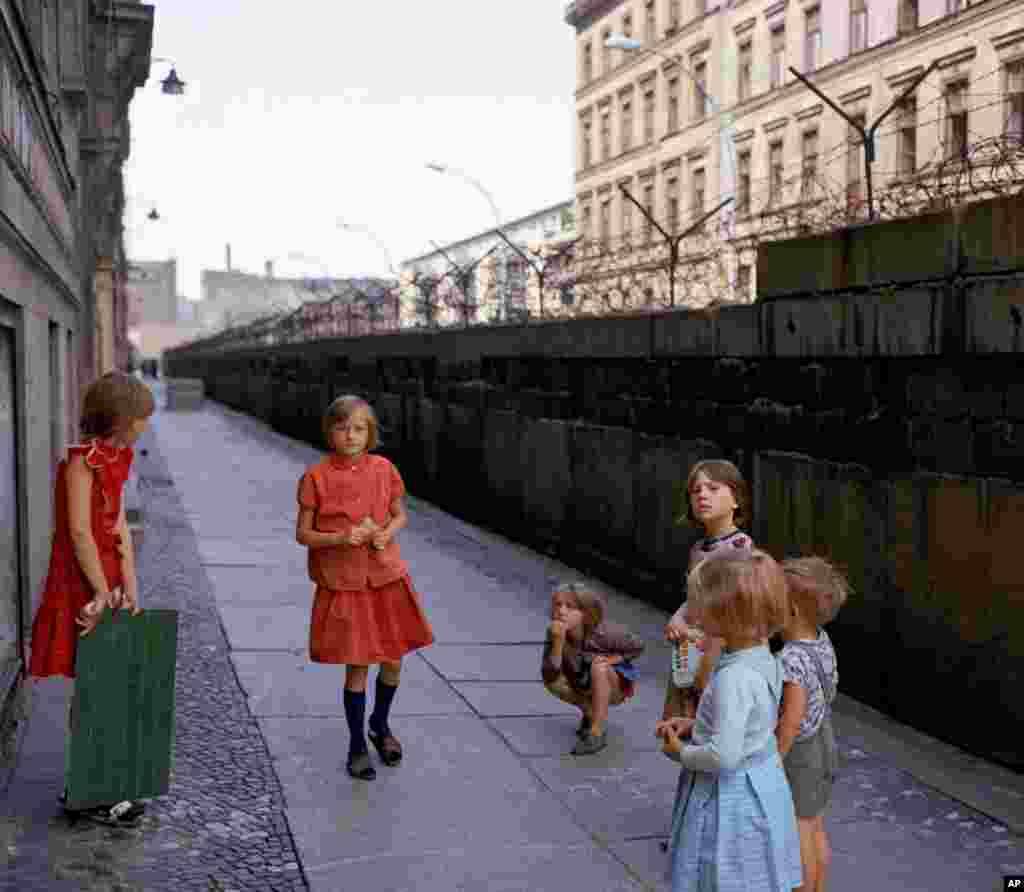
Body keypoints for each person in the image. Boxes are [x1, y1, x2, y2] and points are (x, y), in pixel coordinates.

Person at [28, 371, 155, 826]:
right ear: (120, 417)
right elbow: (80, 530)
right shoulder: (81, 463)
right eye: (141, 416)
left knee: (109, 685)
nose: (145, 424)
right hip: (82, 581)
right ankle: (86, 787)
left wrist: (130, 587)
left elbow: (118, 526)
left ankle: (97, 783)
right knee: (92, 687)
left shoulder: (118, 459)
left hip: (108, 580)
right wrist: (101, 591)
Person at [296, 395, 433, 781]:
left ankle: (380, 723)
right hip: (347, 583)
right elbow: (303, 534)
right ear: (330, 433)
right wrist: (342, 538)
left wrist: (385, 534)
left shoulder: (385, 469)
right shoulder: (316, 477)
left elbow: (399, 514)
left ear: (370, 433)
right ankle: (357, 744)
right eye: (342, 428)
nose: (350, 435)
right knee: (358, 664)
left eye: (359, 428)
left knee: (393, 659)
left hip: (387, 576)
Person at [657, 552, 802, 892]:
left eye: (698, 605)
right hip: (760, 785)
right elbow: (750, 721)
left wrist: (682, 751)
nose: (692, 613)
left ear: (727, 613)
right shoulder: (761, 656)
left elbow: (723, 757)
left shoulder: (732, 678)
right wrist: (695, 725)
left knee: (720, 878)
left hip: (729, 800)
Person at [776, 557, 849, 892]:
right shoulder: (821, 640)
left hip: (800, 753)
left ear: (789, 609)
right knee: (815, 824)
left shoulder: (790, 658)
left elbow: (790, 721)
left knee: (797, 831)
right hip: (824, 741)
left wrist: (774, 758)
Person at [663, 460, 754, 722]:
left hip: (717, 654)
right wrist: (679, 618)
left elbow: (740, 612)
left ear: (736, 499)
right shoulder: (698, 548)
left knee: (709, 726)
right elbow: (694, 598)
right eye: (696, 490)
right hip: (689, 649)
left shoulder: (741, 549)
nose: (702, 494)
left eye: (713, 488)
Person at [541, 582, 645, 755]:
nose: (561, 611)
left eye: (570, 607)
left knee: (599, 666)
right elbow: (550, 674)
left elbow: (638, 645)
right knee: (553, 681)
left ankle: (596, 732)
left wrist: (615, 659)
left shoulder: (604, 633)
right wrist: (557, 644)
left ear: (585, 613)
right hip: (581, 678)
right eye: (558, 605)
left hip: (614, 684)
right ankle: (590, 713)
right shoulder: (555, 632)